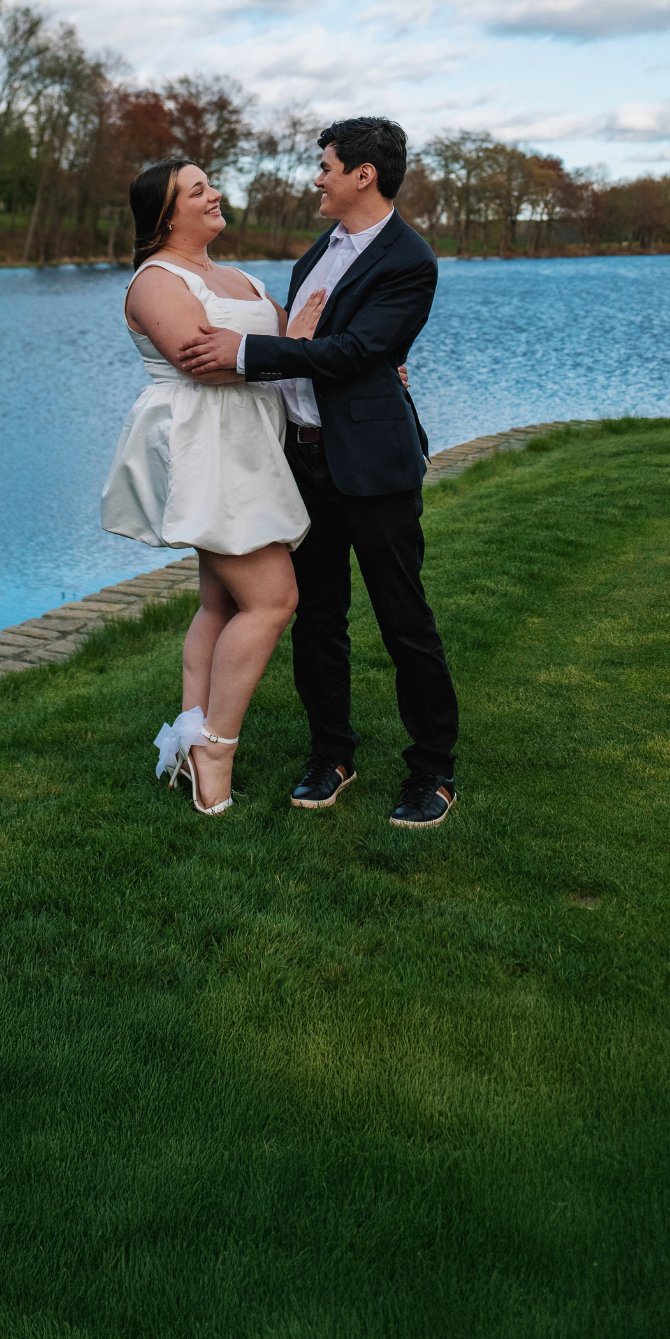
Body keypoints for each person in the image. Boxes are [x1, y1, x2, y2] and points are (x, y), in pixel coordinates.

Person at [177, 117, 459, 830]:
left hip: (373, 466)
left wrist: (246, 353)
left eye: (326, 166)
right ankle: (332, 755)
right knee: (318, 618)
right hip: (303, 462)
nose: (317, 178)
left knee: (403, 620)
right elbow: (308, 343)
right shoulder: (318, 253)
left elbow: (355, 352)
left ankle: (433, 770)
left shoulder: (410, 260)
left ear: (365, 174)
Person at [101, 157, 325, 815]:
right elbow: (202, 363)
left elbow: (295, 346)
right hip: (206, 448)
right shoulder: (156, 280)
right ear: (167, 213)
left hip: (249, 443)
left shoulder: (241, 278)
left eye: (210, 184)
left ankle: (188, 742)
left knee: (220, 604)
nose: (214, 194)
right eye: (198, 190)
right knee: (273, 599)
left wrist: (344, 355)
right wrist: (291, 345)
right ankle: (215, 751)